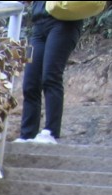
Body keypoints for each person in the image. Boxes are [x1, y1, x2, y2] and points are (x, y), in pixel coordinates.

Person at [17, 1, 83, 143]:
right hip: (37, 27)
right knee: (30, 82)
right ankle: (27, 135)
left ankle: (51, 132)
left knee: (51, 76)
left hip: (64, 23)